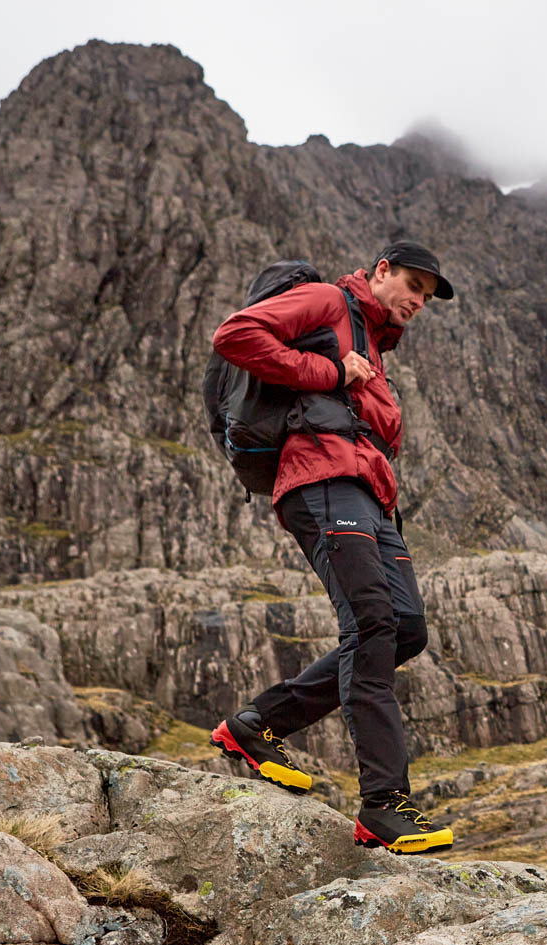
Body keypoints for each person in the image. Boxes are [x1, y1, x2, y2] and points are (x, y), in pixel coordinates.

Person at [207, 241, 457, 855]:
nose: (419, 302)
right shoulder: (327, 301)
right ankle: (383, 804)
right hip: (320, 482)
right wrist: (327, 372)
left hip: (367, 498)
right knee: (371, 623)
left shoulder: (374, 341)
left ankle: (259, 723)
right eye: (414, 286)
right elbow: (235, 335)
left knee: (405, 629)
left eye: (428, 296)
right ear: (381, 271)